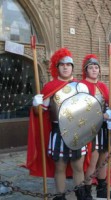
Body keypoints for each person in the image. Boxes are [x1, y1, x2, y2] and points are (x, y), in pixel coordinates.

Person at [26, 48, 90, 200]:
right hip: (58, 132)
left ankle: (80, 195)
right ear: (57, 67)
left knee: (78, 167)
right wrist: (36, 104)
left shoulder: (81, 87)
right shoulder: (50, 88)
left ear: (72, 67)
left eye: (68, 64)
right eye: (62, 64)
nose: (65, 67)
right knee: (59, 168)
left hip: (77, 132)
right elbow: (39, 113)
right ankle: (60, 197)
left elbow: (89, 111)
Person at [80, 54, 111, 199]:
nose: (94, 70)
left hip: (104, 128)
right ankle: (87, 190)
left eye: (96, 67)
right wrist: (100, 115)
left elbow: (109, 104)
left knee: (104, 159)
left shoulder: (103, 86)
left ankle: (102, 189)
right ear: (86, 70)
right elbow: (81, 108)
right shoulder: (82, 86)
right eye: (91, 67)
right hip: (90, 129)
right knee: (93, 160)